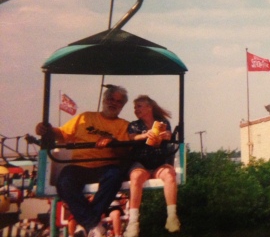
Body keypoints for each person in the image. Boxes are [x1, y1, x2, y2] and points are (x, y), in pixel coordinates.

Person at [35, 85, 130, 237]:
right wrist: (46, 129)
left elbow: (125, 152)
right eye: (111, 99)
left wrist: (112, 141)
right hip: (80, 165)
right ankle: (93, 224)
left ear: (122, 106)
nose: (113, 103)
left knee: (115, 177)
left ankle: (85, 224)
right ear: (104, 100)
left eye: (118, 102)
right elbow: (62, 134)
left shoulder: (124, 125)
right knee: (65, 181)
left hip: (105, 165)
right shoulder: (85, 117)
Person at [123, 95, 180, 237]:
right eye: (135, 107)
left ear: (149, 107)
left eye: (139, 106)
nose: (136, 110)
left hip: (158, 163)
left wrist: (168, 135)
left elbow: (169, 139)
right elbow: (131, 137)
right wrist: (143, 136)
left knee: (170, 174)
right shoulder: (135, 125)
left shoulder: (162, 122)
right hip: (141, 163)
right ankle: (133, 222)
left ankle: (172, 217)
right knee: (135, 177)